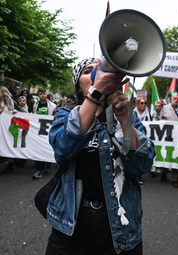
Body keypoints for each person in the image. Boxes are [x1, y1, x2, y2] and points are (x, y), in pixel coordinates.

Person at [46, 58, 155, 254]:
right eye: (89, 72)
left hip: (120, 226)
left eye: (101, 70)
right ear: (79, 86)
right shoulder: (64, 114)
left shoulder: (127, 115)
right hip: (71, 228)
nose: (97, 75)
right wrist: (95, 96)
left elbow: (141, 166)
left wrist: (124, 119)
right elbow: (63, 150)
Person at [160, 92, 178, 188]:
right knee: (167, 155)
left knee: (176, 156)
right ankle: (164, 172)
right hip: (167, 137)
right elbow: (159, 119)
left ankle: (175, 179)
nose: (176, 100)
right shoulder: (165, 109)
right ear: (171, 99)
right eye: (174, 98)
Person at [32, 88, 57, 179]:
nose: (42, 95)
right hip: (38, 130)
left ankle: (48, 165)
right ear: (38, 95)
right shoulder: (35, 104)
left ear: (46, 94)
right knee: (38, 148)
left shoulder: (52, 106)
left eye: (44, 93)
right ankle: (38, 169)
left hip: (48, 130)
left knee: (47, 147)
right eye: (40, 94)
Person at [0, 86, 17, 174]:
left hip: (7, 127)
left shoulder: (10, 102)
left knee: (8, 144)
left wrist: (13, 111)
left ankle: (10, 164)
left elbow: (12, 111)